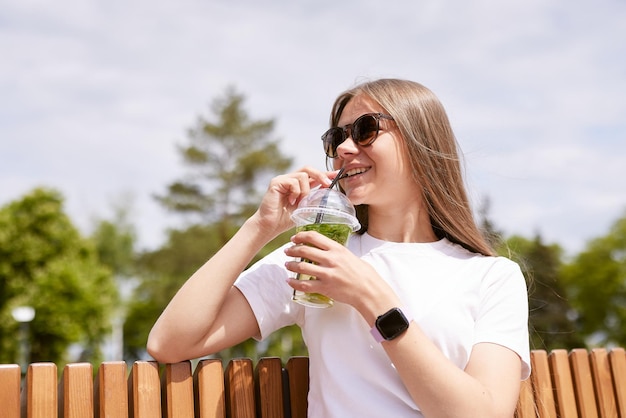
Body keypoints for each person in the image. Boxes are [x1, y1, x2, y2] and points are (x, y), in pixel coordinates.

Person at [147, 78, 531, 417]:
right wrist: (259, 228)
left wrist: (374, 302)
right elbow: (170, 342)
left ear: (421, 142)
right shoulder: (314, 256)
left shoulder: (491, 276)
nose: (345, 148)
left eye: (365, 130)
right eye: (337, 137)